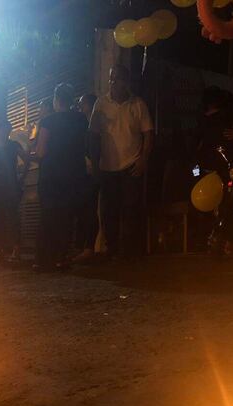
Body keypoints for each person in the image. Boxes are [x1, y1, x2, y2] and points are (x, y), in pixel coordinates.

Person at [89, 65, 154, 260]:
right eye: (111, 78)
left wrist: (143, 159)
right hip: (107, 166)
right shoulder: (101, 104)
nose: (112, 82)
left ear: (126, 81)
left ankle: (129, 251)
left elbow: (148, 134)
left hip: (130, 165)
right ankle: (112, 248)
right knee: (108, 211)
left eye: (116, 78)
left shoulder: (137, 105)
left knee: (131, 209)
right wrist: (93, 161)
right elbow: (92, 135)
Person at [34, 83, 88, 271]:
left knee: (48, 216)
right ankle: (60, 257)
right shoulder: (81, 120)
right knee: (66, 217)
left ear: (56, 100)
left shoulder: (47, 122)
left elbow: (41, 151)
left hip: (51, 176)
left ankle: (42, 260)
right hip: (73, 175)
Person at [0, 120, 29, 265]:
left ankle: (16, 248)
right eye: (4, 130)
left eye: (8, 131)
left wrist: (22, 177)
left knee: (13, 218)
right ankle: (0, 249)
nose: (5, 133)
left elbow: (26, 160)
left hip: (11, 186)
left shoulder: (13, 145)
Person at [74, 93, 99, 262]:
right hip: (84, 173)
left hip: (94, 173)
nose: (80, 107)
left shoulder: (96, 125)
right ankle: (83, 247)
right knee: (83, 210)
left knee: (90, 210)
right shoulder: (83, 125)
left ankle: (89, 247)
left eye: (82, 104)